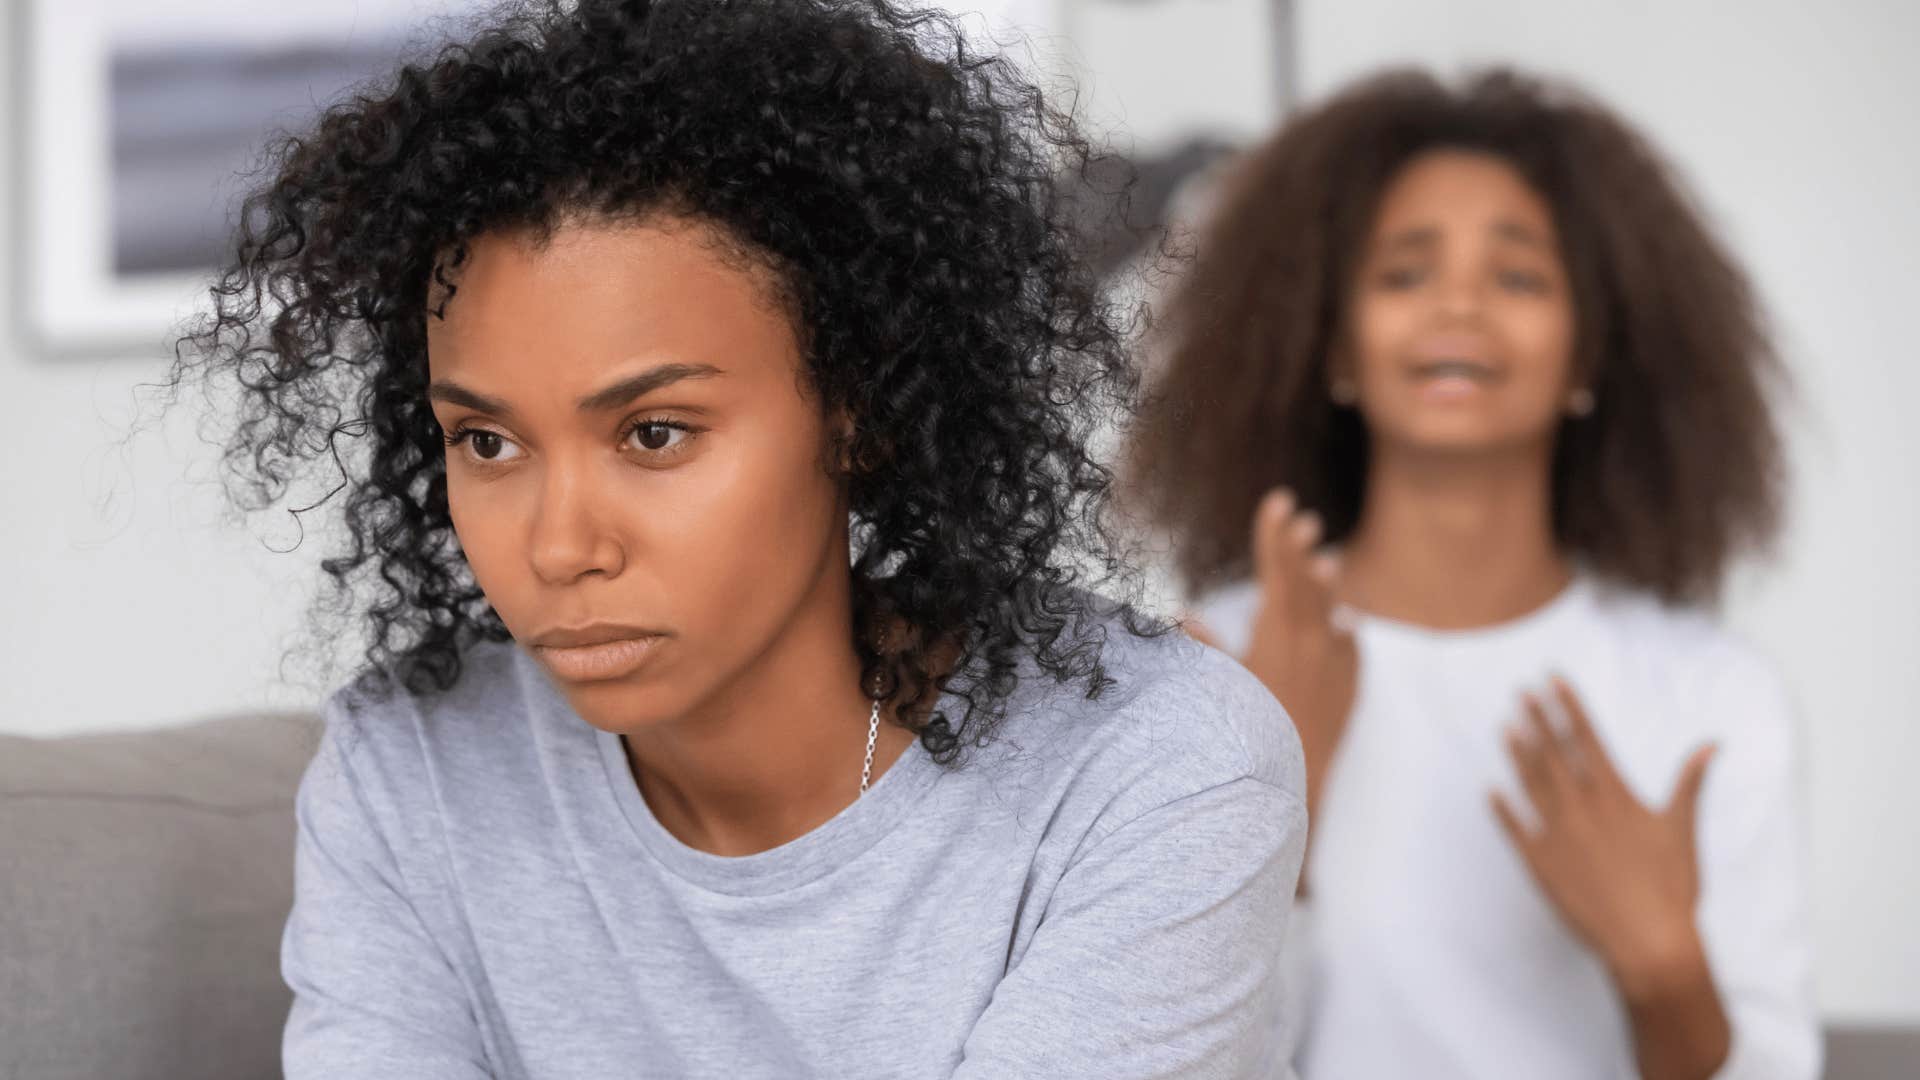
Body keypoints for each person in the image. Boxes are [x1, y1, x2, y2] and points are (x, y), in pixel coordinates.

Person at [166, 0, 1309, 1076]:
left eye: (654, 432)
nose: (559, 546)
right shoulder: (411, 774)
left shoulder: (1154, 769)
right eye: (488, 444)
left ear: (856, 409)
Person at [1131, 68, 1818, 1079]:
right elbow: (1161, 1056)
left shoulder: (1714, 698)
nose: (1458, 303)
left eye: (1520, 277)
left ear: (1589, 357)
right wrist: (1279, 802)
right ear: (1334, 353)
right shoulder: (1216, 670)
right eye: (1404, 274)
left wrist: (1666, 973)